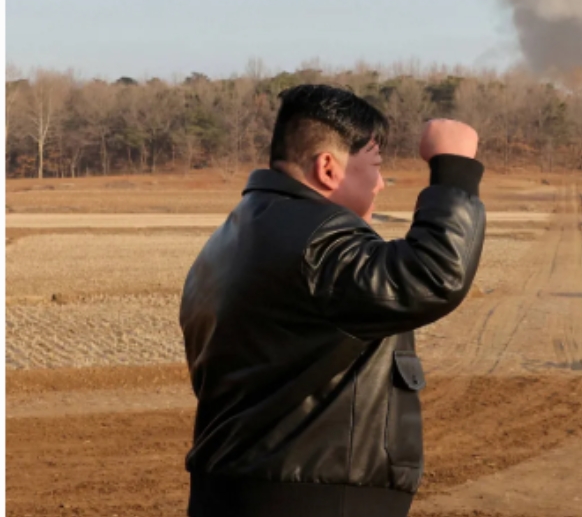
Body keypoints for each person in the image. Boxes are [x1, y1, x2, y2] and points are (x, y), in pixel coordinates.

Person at [179, 84, 486, 517]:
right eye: (375, 166)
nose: (381, 184)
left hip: (229, 492)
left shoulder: (227, 242)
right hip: (313, 499)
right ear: (328, 168)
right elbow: (431, 276)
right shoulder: (316, 239)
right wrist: (454, 170)